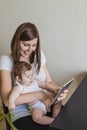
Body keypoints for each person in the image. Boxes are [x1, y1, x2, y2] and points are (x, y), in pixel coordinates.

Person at [0, 22, 68, 130]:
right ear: (17, 41)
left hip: (46, 103)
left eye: (34, 45)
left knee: (69, 121)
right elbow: (7, 101)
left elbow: (49, 82)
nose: (30, 49)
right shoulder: (6, 61)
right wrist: (40, 95)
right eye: (26, 44)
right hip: (23, 112)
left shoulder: (38, 55)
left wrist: (57, 91)